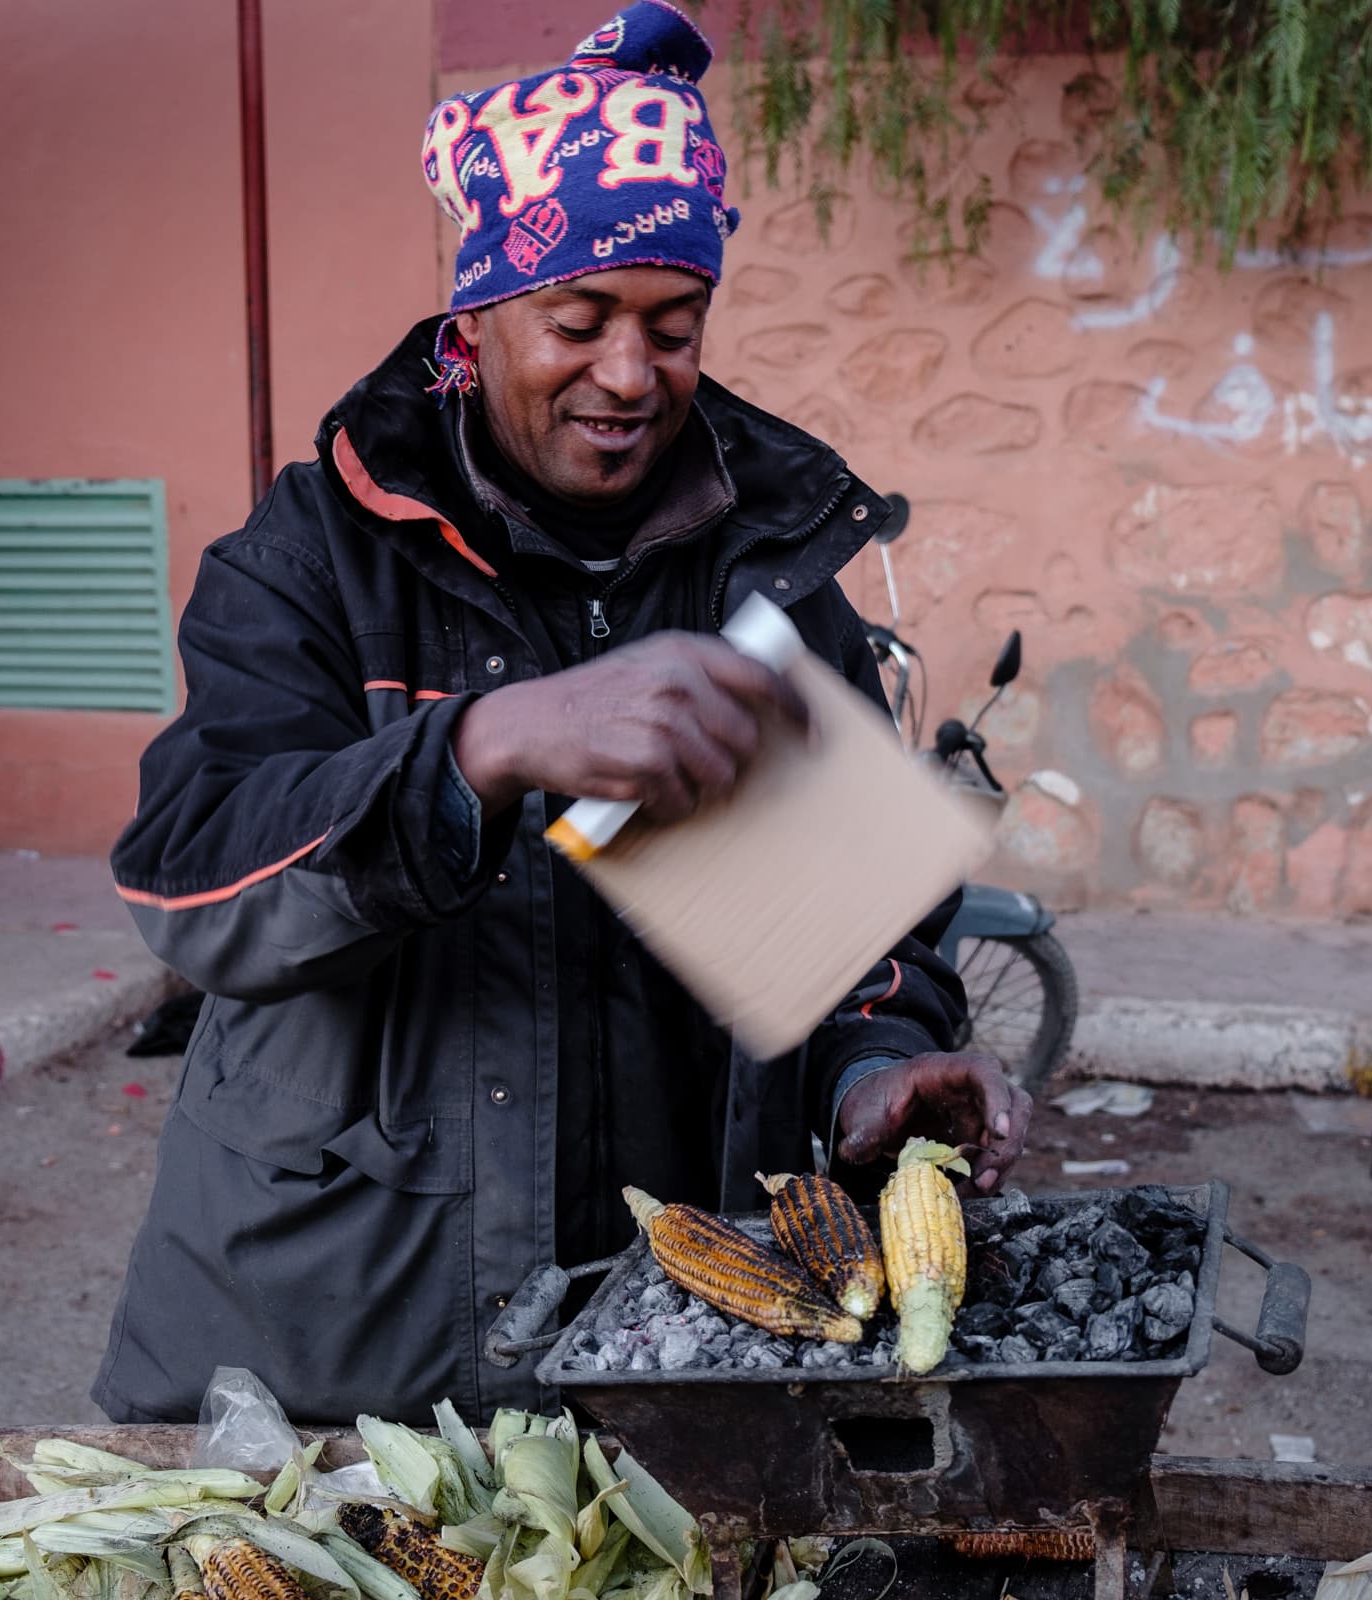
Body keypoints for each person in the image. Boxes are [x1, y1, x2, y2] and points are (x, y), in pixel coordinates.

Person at [92, 0, 1032, 1425]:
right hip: (341, 1347)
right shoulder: (310, 562)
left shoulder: (771, 575)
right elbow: (192, 879)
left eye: (674, 324)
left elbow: (854, 940)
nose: (629, 376)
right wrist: (484, 747)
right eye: (576, 320)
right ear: (476, 319)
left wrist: (879, 1072)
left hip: (674, 1329)